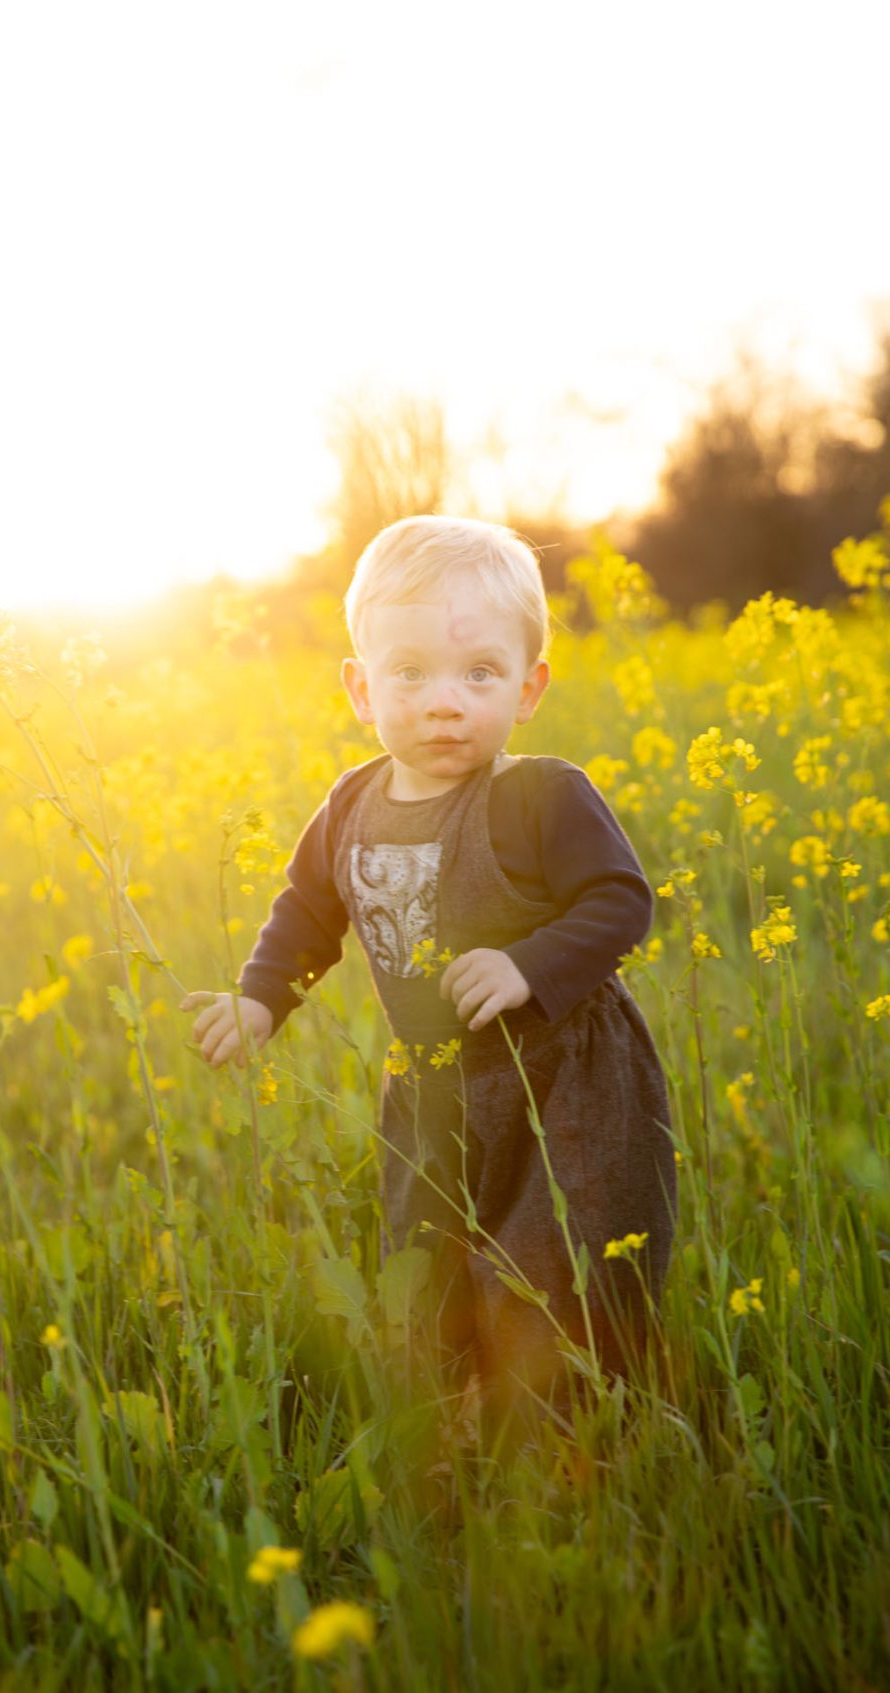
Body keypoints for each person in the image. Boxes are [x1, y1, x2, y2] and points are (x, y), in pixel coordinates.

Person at [182, 516, 677, 1422]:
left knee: (554, 1262)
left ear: (528, 689)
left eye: (478, 673)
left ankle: (576, 1445)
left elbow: (620, 901)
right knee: (428, 1261)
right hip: (430, 1087)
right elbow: (307, 914)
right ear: (360, 688)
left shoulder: (542, 795)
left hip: (562, 1081)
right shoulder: (349, 806)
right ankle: (452, 1431)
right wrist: (259, 1000)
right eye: (410, 672)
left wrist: (529, 962)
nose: (444, 701)